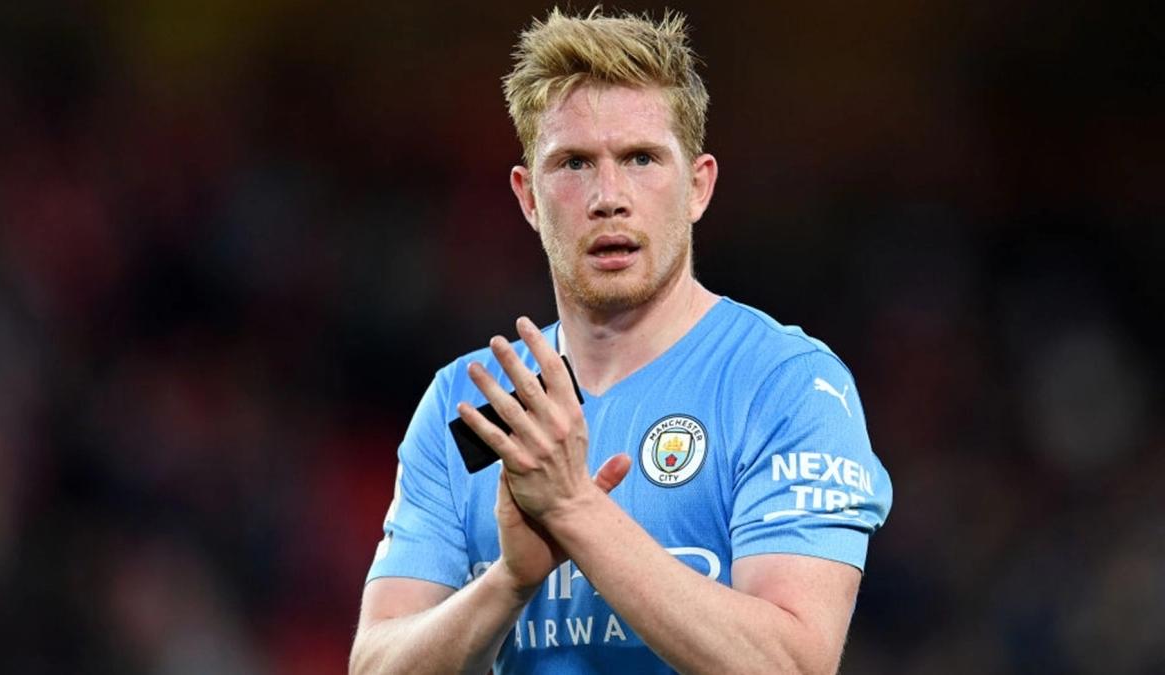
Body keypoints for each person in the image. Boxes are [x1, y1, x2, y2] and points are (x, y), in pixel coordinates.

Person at [350, 8, 891, 674]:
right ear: (527, 197)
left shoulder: (786, 384)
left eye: (641, 158)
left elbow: (793, 665)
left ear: (698, 187)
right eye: (574, 163)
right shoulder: (466, 405)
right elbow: (375, 663)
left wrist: (574, 510)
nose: (608, 196)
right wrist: (508, 583)